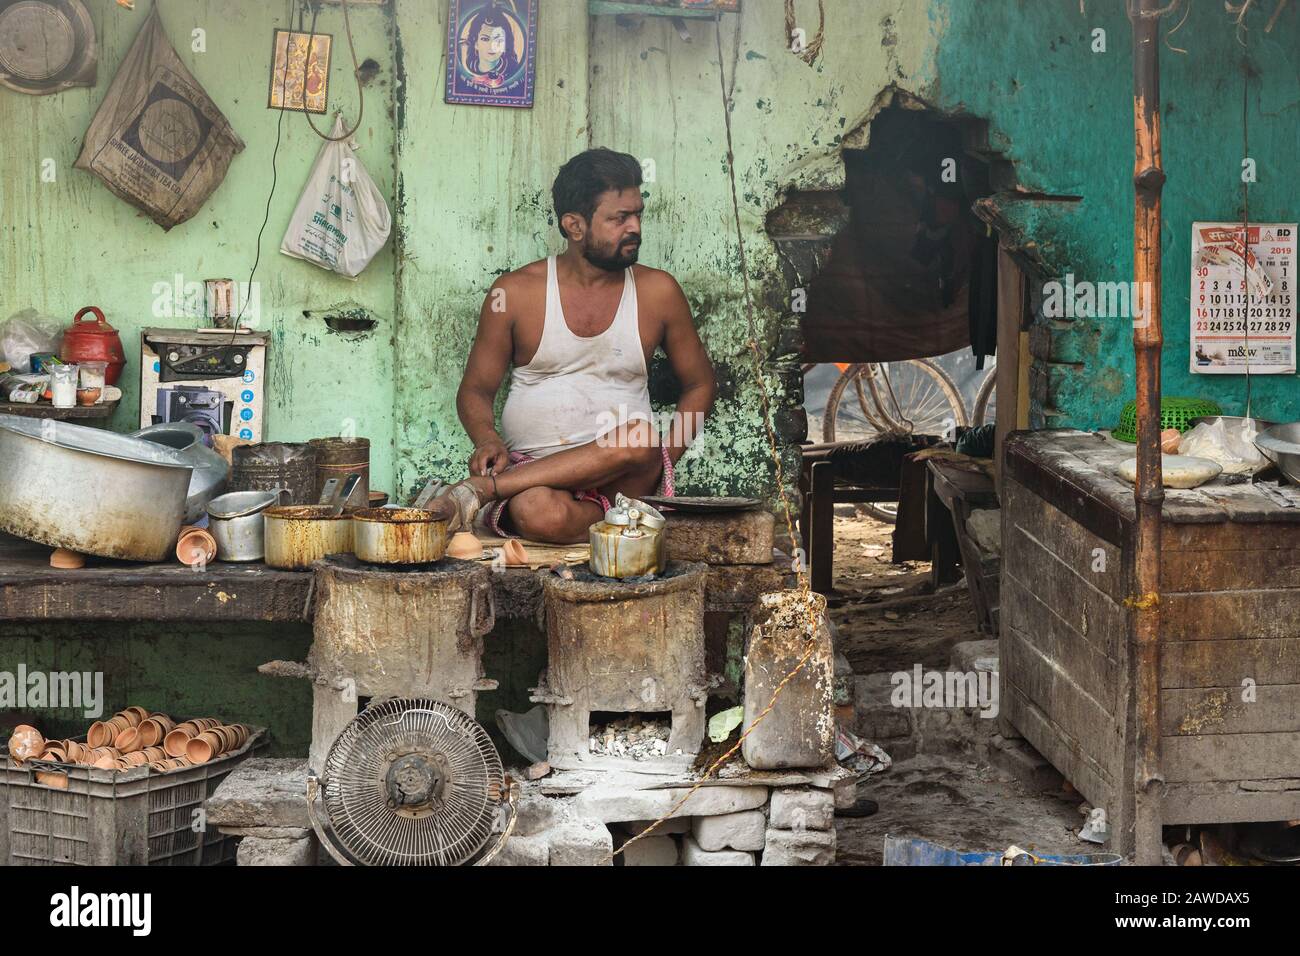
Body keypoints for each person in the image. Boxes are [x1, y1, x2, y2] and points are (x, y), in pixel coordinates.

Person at [431, 148, 717, 544]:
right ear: (574, 226)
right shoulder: (514, 293)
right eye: (619, 218)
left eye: (638, 214)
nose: (634, 227)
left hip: (625, 472)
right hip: (534, 473)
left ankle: (484, 491)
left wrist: (663, 458)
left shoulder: (659, 292)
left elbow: (700, 384)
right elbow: (476, 389)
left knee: (639, 438)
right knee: (535, 511)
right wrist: (487, 439)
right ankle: (618, 526)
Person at [462, 6, 519, 88]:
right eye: (485, 39)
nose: (492, 46)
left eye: (498, 39)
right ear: (475, 43)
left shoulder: (512, 69)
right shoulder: (468, 67)